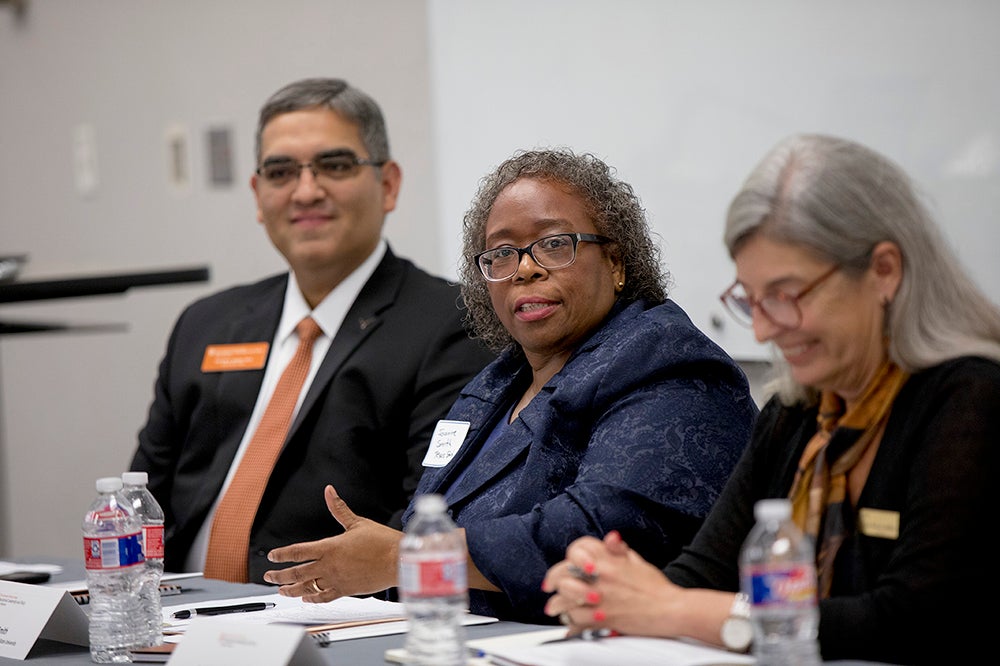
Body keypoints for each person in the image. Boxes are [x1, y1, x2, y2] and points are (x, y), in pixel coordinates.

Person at [541, 134, 1000, 664]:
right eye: (750, 300)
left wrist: (671, 608)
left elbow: (911, 621)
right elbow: (701, 574)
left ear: (884, 271)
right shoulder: (795, 416)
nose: (762, 330)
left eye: (785, 296)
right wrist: (611, 588)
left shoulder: (972, 401)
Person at [263, 148, 758, 623]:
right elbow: (429, 520)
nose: (525, 268)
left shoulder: (670, 364)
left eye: (554, 244)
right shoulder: (496, 383)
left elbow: (600, 533)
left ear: (616, 262)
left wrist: (407, 558)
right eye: (501, 254)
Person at [129, 78, 494, 584]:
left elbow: (430, 518)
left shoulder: (452, 324)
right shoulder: (206, 324)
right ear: (258, 196)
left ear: (388, 185)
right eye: (281, 172)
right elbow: (139, 500)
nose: (306, 191)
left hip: (325, 628)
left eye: (335, 166)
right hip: (171, 624)